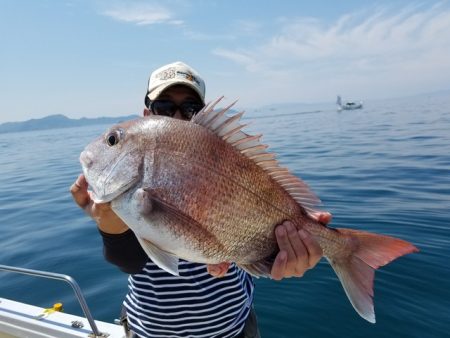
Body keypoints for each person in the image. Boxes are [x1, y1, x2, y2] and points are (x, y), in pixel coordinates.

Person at [71, 61, 330, 338]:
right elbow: (130, 262)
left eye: (191, 108)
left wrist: (289, 253)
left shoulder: (225, 154)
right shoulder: (123, 192)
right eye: (165, 108)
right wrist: (108, 224)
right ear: (148, 115)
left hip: (234, 330)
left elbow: (249, 236)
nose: (178, 116)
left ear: (202, 113)